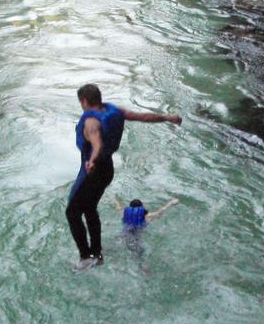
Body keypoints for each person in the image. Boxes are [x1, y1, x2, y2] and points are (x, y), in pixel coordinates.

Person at [67, 84, 182, 270]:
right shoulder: (115, 111)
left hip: (92, 171)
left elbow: (96, 142)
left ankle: (85, 257)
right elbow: (144, 117)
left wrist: (92, 160)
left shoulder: (90, 121)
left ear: (84, 101)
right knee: (89, 208)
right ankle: (97, 254)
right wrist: (168, 118)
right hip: (107, 170)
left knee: (72, 212)